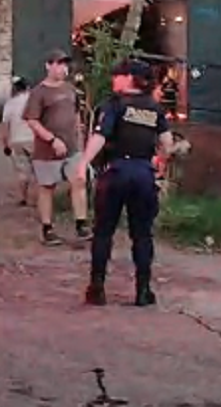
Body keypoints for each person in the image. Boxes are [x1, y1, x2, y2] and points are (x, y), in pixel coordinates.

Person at [75, 59, 174, 307]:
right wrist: (158, 162)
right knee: (142, 235)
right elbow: (167, 143)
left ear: (130, 78)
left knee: (103, 232)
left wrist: (83, 162)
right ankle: (143, 290)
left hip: (116, 171)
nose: (114, 79)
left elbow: (100, 136)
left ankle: (97, 288)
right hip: (143, 173)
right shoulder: (154, 108)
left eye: (118, 75)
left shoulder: (114, 105)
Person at [23, 49, 91, 246]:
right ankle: (47, 228)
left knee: (78, 181)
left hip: (72, 148)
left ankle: (81, 223)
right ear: (48, 66)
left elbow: (76, 112)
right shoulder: (38, 93)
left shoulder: (70, 89)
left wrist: (80, 136)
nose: (63, 68)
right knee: (47, 187)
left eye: (64, 64)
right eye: (58, 64)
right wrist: (52, 140)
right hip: (47, 150)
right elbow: (32, 121)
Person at [0, 76, 36, 206]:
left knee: (22, 171)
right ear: (27, 87)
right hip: (34, 139)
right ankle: (38, 198)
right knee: (38, 170)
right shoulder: (34, 102)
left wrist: (5, 145)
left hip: (17, 140)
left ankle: (23, 197)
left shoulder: (10, 104)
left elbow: (5, 127)